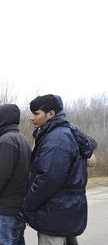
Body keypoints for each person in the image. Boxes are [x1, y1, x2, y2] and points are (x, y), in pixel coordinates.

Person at [23, 95, 97, 245]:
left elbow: (48, 179)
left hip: (54, 213)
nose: (31, 118)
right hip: (65, 210)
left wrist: (27, 204)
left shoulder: (56, 139)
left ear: (51, 114)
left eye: (36, 113)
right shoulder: (62, 132)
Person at [0, 104, 30, 245]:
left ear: (1, 120)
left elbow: (0, 176)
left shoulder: (6, 141)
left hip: (7, 208)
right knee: (17, 240)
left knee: (6, 241)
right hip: (19, 205)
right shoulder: (21, 138)